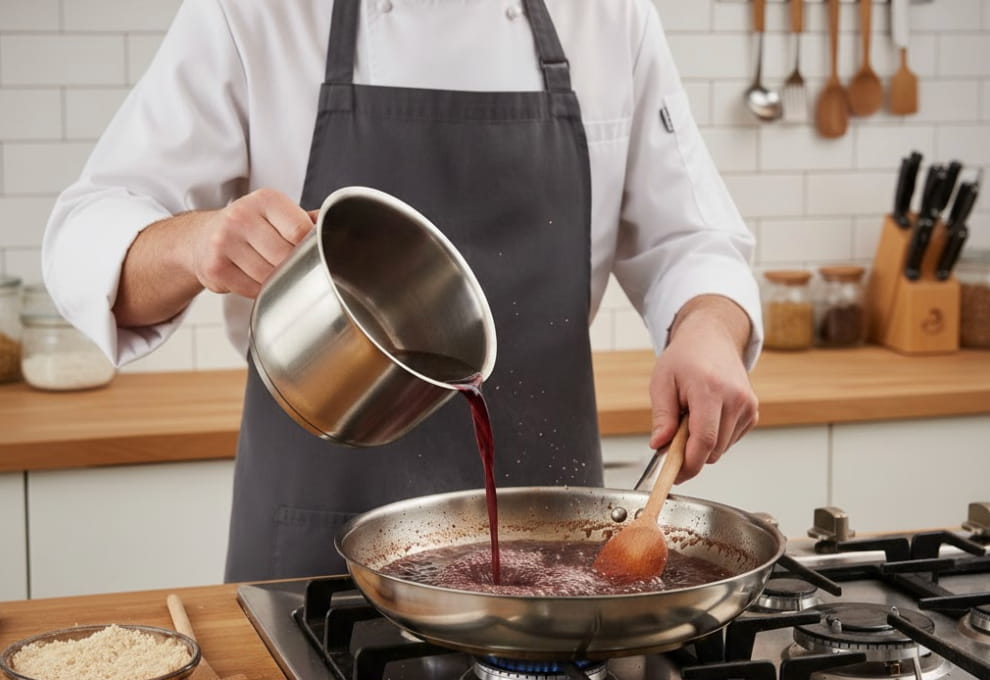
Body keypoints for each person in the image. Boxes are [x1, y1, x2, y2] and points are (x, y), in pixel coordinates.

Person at [43, 0, 762, 581]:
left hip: (557, 545)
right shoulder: (256, 13)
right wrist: (194, 242)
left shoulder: (610, 16)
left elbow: (694, 240)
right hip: (317, 538)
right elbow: (90, 229)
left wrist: (708, 329)